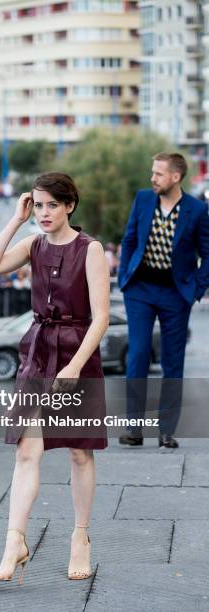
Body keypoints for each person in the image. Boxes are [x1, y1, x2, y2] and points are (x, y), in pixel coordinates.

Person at [0, 171, 110, 584]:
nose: (45, 213)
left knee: (78, 452)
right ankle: (14, 541)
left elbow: (102, 317)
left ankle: (81, 538)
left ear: (70, 205)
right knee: (25, 451)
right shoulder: (32, 244)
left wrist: (74, 367)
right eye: (38, 204)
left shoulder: (90, 250)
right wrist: (16, 220)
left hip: (78, 354)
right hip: (37, 352)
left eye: (53, 204)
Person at [118, 152, 209, 449]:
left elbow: (207, 255)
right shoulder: (144, 199)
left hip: (175, 294)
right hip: (140, 291)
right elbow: (129, 239)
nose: (152, 178)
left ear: (175, 177)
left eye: (158, 174)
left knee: (173, 363)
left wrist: (195, 289)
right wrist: (123, 277)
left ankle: (166, 431)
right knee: (139, 355)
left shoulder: (196, 210)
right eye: (152, 172)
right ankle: (133, 428)